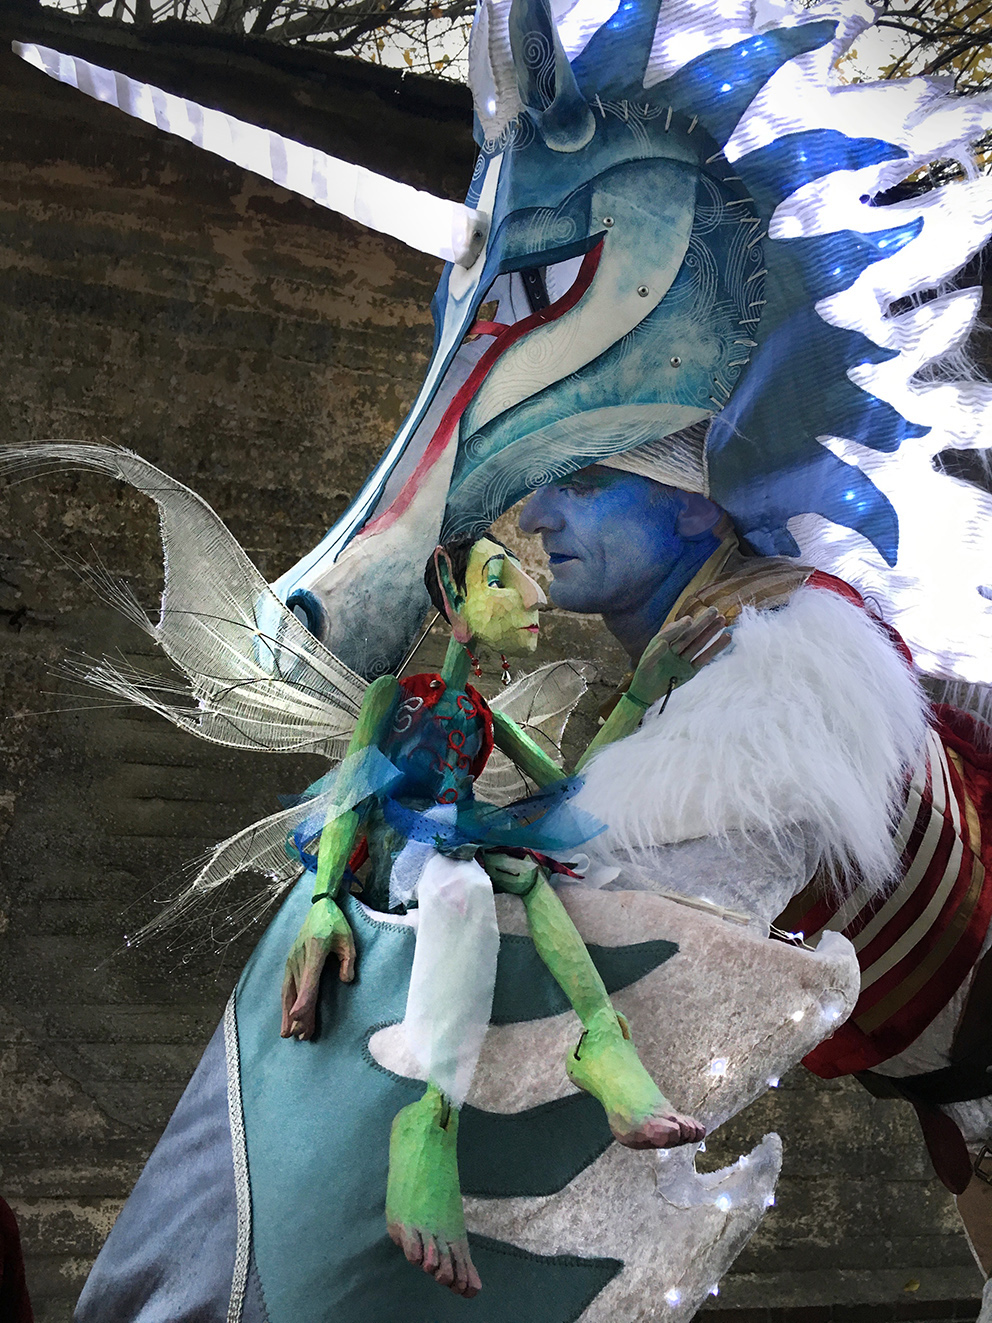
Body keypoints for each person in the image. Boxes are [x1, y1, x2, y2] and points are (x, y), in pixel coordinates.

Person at [521, 461, 992, 1272]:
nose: (535, 515)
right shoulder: (709, 657)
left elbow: (631, 934)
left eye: (583, 483)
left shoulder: (779, 670)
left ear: (698, 509)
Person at [278, 532, 726, 1297]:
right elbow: (352, 793)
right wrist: (323, 903)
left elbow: (570, 790)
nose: (535, 593)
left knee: (527, 873)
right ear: (453, 597)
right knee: (467, 886)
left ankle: (603, 1044)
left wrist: (639, 693)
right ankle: (429, 1121)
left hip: (459, 840)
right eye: (501, 577)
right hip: (399, 850)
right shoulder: (395, 697)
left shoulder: (484, 716)